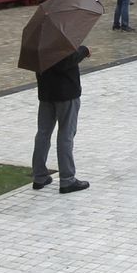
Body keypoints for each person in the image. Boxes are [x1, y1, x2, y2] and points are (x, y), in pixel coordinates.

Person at [33, 44, 90, 194]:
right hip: (66, 93)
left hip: (46, 92)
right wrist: (83, 50)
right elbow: (65, 62)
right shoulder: (61, 38)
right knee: (66, 134)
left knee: (43, 133)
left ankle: (39, 176)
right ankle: (67, 179)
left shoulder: (38, 41)